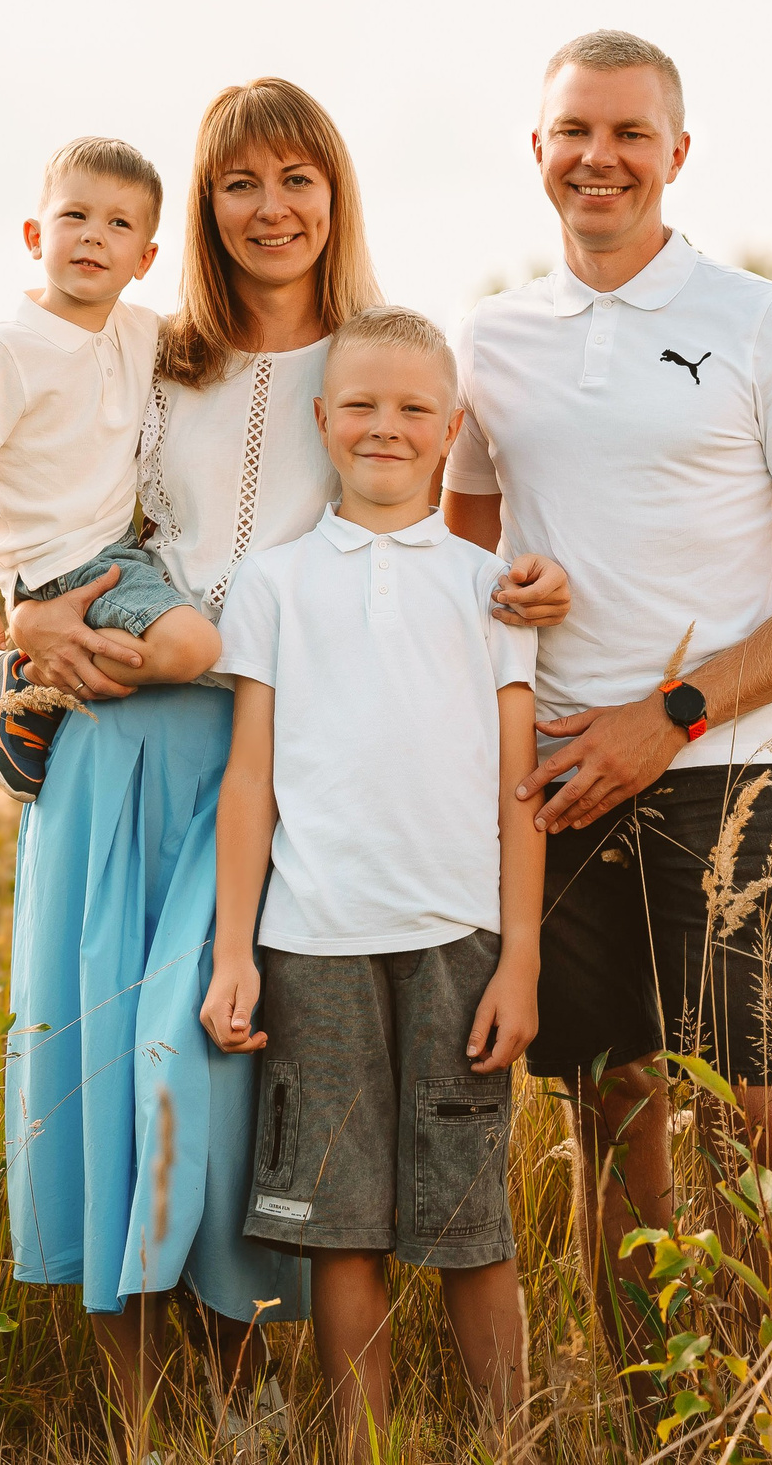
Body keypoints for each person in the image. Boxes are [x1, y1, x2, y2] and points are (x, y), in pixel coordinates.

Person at [1, 80, 572, 1454]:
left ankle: (245, 1385)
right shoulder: (146, 354)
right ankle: (159, 1420)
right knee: (106, 1091)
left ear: (336, 194)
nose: (272, 208)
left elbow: (458, 542)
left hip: (282, 777)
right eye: (242, 183)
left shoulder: (377, 364)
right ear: (203, 208)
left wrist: (539, 581)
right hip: (121, 752)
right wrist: (15, 642)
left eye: (298, 178)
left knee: (208, 1076)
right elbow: (46, 513)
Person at [441, 30, 772, 1386]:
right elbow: (455, 571)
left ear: (677, 154)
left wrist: (674, 715)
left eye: (631, 133)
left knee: (758, 1119)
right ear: (538, 153)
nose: (601, 157)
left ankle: (766, 1403)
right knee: (612, 1114)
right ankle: (651, 1410)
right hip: (564, 774)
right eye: (574, 131)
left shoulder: (765, 323)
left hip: (719, 768)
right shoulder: (494, 339)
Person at [199, 307, 543, 1455]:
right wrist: (235, 952)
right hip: (315, 943)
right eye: (360, 405)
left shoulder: (489, 587)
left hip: (458, 944)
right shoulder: (276, 582)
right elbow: (249, 781)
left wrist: (521, 962)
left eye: (411, 410)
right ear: (321, 421)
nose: (384, 427)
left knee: (469, 1224)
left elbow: (517, 796)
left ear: (451, 431)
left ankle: (511, 1441)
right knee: (342, 1231)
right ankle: (366, 1447)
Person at [0, 136, 221, 802]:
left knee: (198, 638)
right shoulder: (8, 349)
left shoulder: (139, 330)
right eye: (75, 217)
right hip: (58, 564)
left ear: (145, 259)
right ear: (35, 234)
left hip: (121, 551)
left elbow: (212, 336)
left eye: (119, 224)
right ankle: (29, 675)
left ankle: (43, 689)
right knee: (196, 648)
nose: (94, 236)